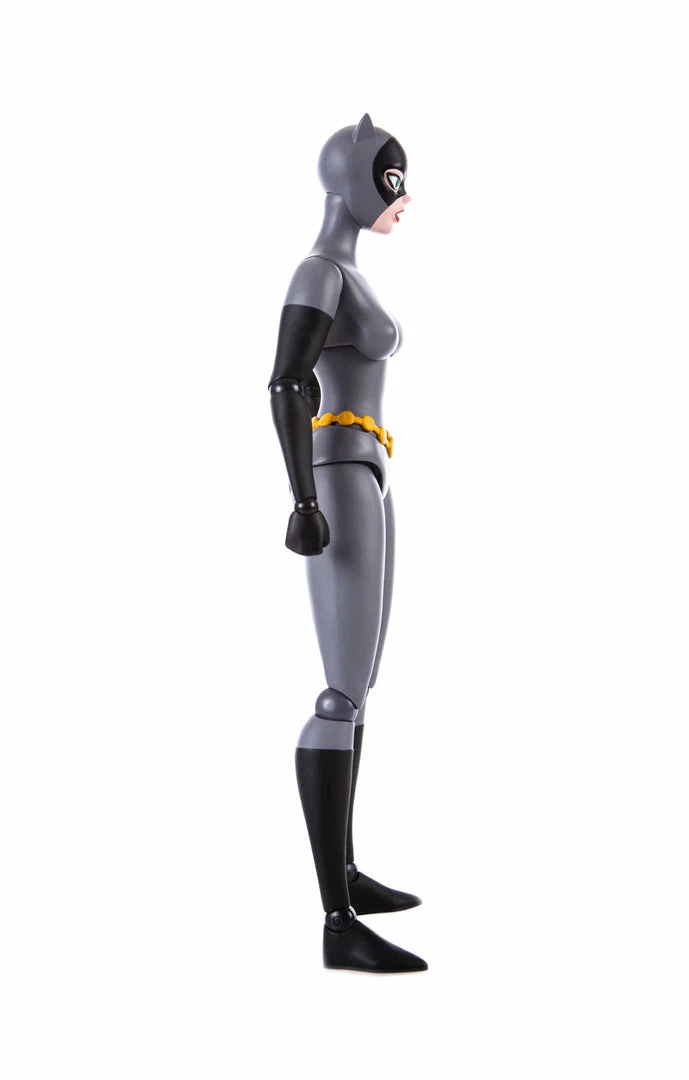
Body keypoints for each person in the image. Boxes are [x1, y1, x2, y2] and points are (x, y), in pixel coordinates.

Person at [268, 114, 427, 973]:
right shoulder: (319, 271)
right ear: (356, 181)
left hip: (367, 470)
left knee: (361, 683)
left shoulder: (348, 272)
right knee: (338, 690)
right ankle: (336, 922)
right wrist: (301, 499)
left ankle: (349, 872)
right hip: (335, 475)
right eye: (392, 179)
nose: (404, 197)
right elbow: (285, 381)